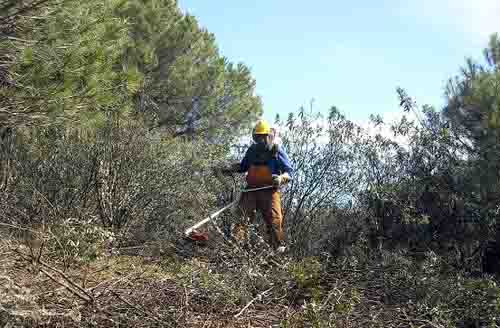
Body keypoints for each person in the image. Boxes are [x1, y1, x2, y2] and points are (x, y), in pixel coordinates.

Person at [221, 120, 294, 253]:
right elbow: (243, 166)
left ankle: (277, 251)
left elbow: (289, 172)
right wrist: (229, 169)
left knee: (274, 221)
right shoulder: (251, 151)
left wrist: (280, 178)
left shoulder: (276, 151)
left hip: (269, 191)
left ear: (269, 136)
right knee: (241, 219)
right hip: (251, 190)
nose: (260, 140)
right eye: (257, 137)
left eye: (262, 136)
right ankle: (235, 251)